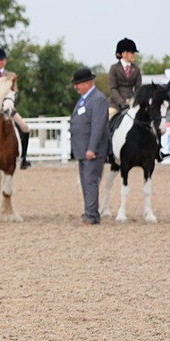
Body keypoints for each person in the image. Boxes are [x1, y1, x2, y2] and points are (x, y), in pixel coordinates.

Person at [70, 67, 109, 226]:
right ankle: (91, 212)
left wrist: (92, 148)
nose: (76, 87)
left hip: (91, 150)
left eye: (78, 84)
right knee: (86, 182)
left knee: (90, 181)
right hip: (82, 149)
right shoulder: (85, 98)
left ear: (87, 83)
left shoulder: (97, 99)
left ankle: (91, 216)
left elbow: (98, 126)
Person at [107, 38, 141, 119]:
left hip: (132, 103)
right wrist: (121, 102)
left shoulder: (136, 69)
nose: (134, 55)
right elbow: (113, 88)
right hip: (115, 104)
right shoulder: (114, 68)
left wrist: (134, 100)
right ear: (124, 53)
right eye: (132, 52)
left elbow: (138, 88)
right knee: (108, 117)